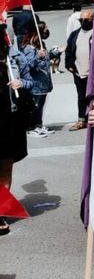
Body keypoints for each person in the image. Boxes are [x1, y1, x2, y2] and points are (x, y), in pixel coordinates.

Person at [0, 23, 24, 236]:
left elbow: (28, 69)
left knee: (6, 165)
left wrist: (22, 82)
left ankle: (1, 212)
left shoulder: (9, 48)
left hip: (9, 113)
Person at [16, 21, 52, 137]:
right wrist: (38, 56)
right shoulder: (29, 48)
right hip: (35, 83)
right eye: (45, 28)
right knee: (35, 106)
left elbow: (45, 63)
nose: (47, 30)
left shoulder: (41, 46)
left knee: (40, 106)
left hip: (43, 83)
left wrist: (54, 53)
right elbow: (30, 65)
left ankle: (39, 125)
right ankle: (32, 127)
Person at [65, 8, 93, 131]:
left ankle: (93, 118)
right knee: (81, 96)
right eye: (81, 20)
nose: (83, 22)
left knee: (92, 96)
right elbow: (69, 49)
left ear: (92, 19)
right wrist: (69, 64)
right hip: (78, 71)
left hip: (93, 72)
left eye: (86, 19)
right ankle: (81, 120)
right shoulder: (74, 34)